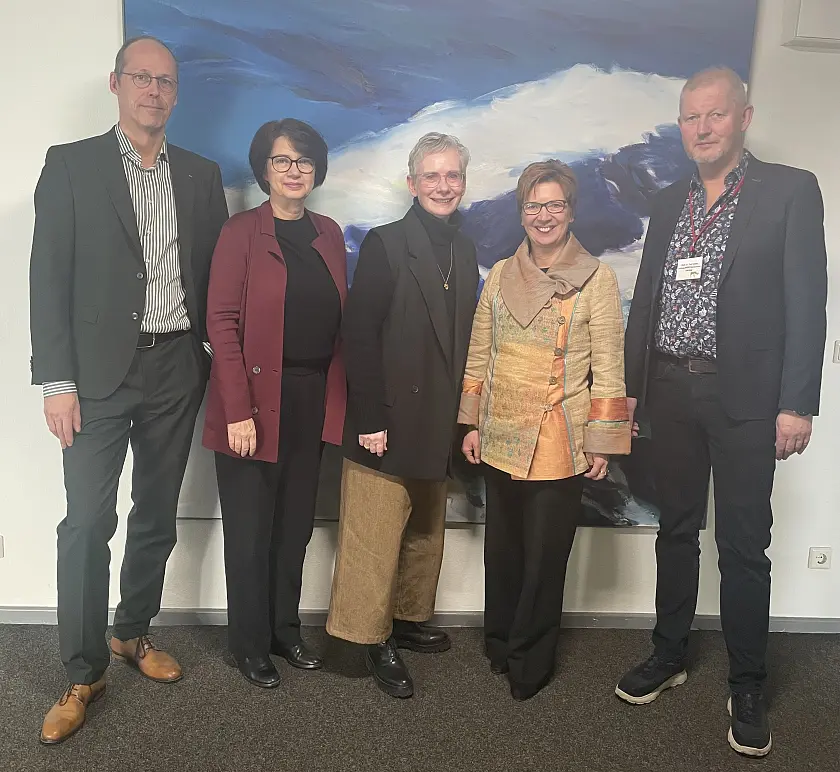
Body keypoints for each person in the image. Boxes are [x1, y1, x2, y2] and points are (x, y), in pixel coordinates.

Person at [616, 67, 827, 758]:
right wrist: (631, 392)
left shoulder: (790, 191)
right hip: (671, 393)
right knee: (674, 531)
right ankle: (669, 653)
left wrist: (797, 404)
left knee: (742, 546)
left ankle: (748, 681)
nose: (701, 128)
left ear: (743, 117)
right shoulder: (670, 198)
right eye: (689, 118)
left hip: (746, 399)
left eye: (713, 115)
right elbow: (645, 302)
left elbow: (808, 303)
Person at [29, 36, 229, 744]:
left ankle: (131, 633)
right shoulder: (71, 165)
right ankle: (83, 672)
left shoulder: (203, 177)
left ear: (176, 94)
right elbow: (47, 276)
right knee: (86, 523)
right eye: (141, 78)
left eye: (165, 81)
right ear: (116, 84)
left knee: (156, 514)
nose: (153, 91)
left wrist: (214, 357)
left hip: (177, 367)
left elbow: (215, 279)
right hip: (95, 377)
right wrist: (56, 381)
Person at [459, 160, 630, 700]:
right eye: (534, 205)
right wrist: (471, 422)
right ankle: (500, 640)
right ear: (522, 212)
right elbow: (479, 353)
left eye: (554, 204)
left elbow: (609, 365)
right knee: (504, 550)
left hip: (560, 435)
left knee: (544, 556)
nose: (544, 216)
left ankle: (530, 661)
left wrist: (603, 440)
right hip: (498, 433)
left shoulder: (597, 279)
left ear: (571, 211)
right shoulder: (501, 274)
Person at [326, 132, 479, 698]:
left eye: (453, 176)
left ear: (462, 183)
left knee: (424, 529)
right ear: (412, 183)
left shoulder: (463, 250)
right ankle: (369, 635)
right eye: (432, 176)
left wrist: (467, 417)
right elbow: (359, 334)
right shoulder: (385, 244)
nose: (443, 186)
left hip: (438, 414)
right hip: (386, 416)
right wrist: (369, 416)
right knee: (375, 533)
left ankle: (409, 619)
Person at [202, 119, 347, 688]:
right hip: (254, 403)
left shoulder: (328, 233)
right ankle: (250, 644)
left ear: (316, 170)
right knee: (250, 529)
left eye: (304, 162)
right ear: (263, 168)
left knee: (294, 528)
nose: (294, 171)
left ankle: (285, 631)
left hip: (311, 398)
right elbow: (222, 322)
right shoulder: (241, 232)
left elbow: (340, 321)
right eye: (283, 160)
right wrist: (238, 409)